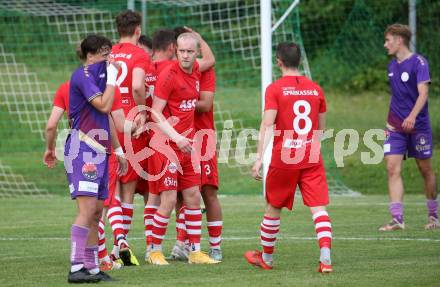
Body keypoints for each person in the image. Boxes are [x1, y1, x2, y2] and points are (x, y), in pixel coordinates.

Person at [43, 34, 127, 283]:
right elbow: (103, 105)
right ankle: (76, 266)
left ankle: (91, 267)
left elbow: (107, 117)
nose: (109, 58)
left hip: (101, 151)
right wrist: (113, 77)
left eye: (110, 53)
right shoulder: (83, 75)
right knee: (87, 209)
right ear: (91, 56)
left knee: (97, 211)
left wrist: (119, 150)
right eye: (105, 53)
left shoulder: (101, 78)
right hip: (83, 149)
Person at [244, 42, 333, 273]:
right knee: (318, 208)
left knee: (273, 206)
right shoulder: (316, 89)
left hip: (284, 156)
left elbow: (267, 123)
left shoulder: (275, 89)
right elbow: (321, 129)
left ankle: (267, 259)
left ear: (278, 61)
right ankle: (325, 259)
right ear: (300, 60)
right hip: (310, 154)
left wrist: (258, 158)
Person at [146, 32, 219, 265]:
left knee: (193, 197)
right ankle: (154, 251)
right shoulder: (169, 75)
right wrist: (177, 138)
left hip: (188, 145)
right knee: (167, 200)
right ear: (175, 50)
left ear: (195, 52)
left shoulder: (197, 69)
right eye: (182, 51)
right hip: (168, 144)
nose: (186, 56)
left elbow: (211, 59)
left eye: (190, 51)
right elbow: (155, 112)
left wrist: (199, 37)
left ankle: (195, 252)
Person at [380, 23, 438, 231]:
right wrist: (390, 120)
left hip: (418, 126)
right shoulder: (392, 66)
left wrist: (412, 116)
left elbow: (423, 93)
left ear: (399, 40)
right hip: (395, 128)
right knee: (391, 168)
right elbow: (397, 97)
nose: (385, 44)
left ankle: (434, 216)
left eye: (388, 40)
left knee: (425, 169)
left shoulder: (419, 63)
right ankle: (397, 219)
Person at [109, 9, 151, 266]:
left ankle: (114, 246)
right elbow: (137, 86)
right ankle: (120, 242)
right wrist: (142, 114)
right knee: (128, 188)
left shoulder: (108, 53)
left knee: (111, 184)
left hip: (108, 122)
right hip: (129, 124)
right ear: (138, 30)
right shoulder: (139, 55)